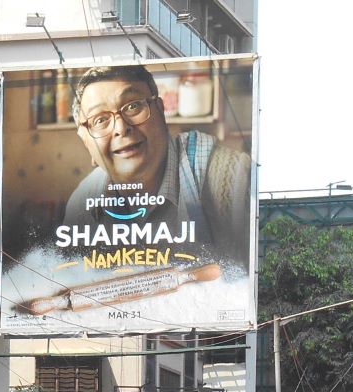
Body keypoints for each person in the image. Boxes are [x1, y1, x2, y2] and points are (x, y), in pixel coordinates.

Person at [60, 64, 252, 266]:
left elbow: (244, 280)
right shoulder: (82, 202)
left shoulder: (226, 175)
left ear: (160, 111)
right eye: (100, 119)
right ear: (87, 145)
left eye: (133, 106)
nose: (121, 128)